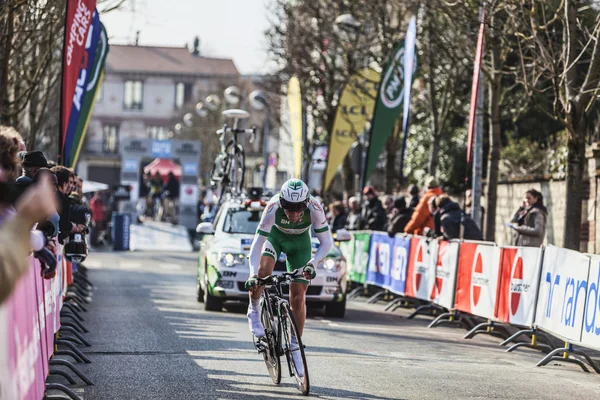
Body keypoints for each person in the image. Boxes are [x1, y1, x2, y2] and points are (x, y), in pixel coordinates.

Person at [245, 179, 332, 378]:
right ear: (282, 203)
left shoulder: (315, 207)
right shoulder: (273, 207)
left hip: (300, 246)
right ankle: (254, 309)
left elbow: (327, 243)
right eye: (288, 209)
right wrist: (252, 274)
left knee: (298, 297)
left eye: (298, 209)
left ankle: (295, 348)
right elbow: (257, 245)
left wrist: (314, 262)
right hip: (275, 240)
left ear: (306, 203)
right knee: (263, 271)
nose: (292, 214)